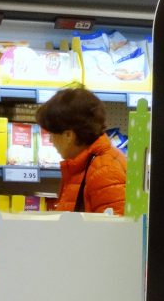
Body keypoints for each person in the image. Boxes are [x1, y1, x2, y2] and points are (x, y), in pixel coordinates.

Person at [35, 86, 126, 216]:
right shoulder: (86, 164)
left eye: (52, 134)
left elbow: (114, 232)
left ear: (68, 135)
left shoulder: (104, 171)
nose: (50, 140)